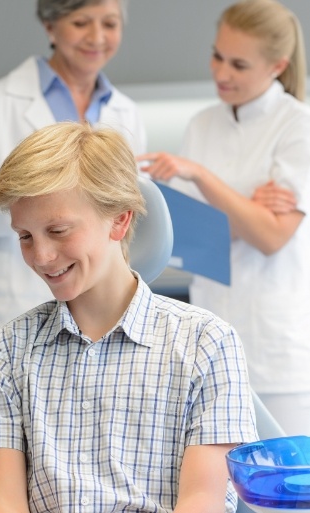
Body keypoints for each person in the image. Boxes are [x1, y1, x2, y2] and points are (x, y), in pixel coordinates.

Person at [0, 122, 257, 512]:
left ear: (120, 219)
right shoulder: (2, 355)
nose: (41, 256)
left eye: (58, 230)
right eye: (25, 236)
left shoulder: (207, 344)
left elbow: (203, 502)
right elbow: (5, 504)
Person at [138, 0, 310, 436]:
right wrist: (248, 208)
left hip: (277, 343)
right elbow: (194, 234)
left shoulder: (297, 126)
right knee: (220, 484)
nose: (222, 73)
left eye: (238, 64)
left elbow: (272, 237)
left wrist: (201, 176)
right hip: (210, 329)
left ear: (277, 66)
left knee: (286, 490)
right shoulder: (202, 124)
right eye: (217, 56)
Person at [0, 0, 146, 342]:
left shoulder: (127, 113)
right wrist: (35, 214)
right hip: (11, 302)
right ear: (50, 27)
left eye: (109, 24)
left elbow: (121, 213)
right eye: (81, 23)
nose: (97, 37)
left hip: (97, 309)